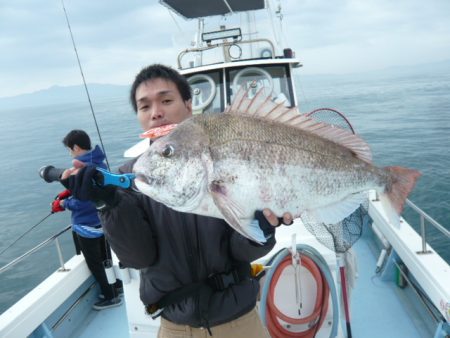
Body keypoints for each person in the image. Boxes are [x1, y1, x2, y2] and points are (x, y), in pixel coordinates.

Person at [62, 65, 292, 337]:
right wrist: (106, 203)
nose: (155, 112)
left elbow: (241, 252)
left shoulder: (227, 159)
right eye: (144, 106)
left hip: (239, 322)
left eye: (166, 100)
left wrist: (262, 230)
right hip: (174, 327)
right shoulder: (128, 178)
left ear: (188, 104)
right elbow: (138, 257)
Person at [54, 129, 122, 310]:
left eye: (70, 149)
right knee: (107, 258)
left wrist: (64, 203)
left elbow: (83, 202)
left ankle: (110, 296)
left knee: (95, 264)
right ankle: (116, 286)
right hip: (103, 222)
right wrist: (70, 191)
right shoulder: (100, 163)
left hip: (86, 226)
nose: (70, 153)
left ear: (76, 147)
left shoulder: (78, 169)